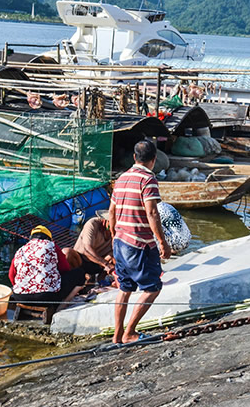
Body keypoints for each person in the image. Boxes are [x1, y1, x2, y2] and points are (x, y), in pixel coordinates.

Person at [109, 139, 171, 344]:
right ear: (153, 160)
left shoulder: (121, 179)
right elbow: (152, 212)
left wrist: (114, 236)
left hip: (120, 241)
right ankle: (129, 333)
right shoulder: (148, 179)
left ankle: (117, 336)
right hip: (138, 244)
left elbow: (112, 212)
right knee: (152, 287)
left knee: (124, 289)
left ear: (135, 157)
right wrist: (162, 242)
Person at [9, 225, 86, 308]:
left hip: (20, 297)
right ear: (49, 238)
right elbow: (65, 268)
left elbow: (11, 275)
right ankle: (62, 305)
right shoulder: (52, 245)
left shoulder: (21, 250)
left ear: (31, 238)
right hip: (46, 296)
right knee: (80, 273)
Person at [73, 214, 115, 284]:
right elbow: (87, 249)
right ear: (105, 221)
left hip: (100, 264)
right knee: (67, 252)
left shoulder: (118, 231)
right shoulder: (92, 224)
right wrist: (106, 264)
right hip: (82, 259)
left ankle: (101, 280)